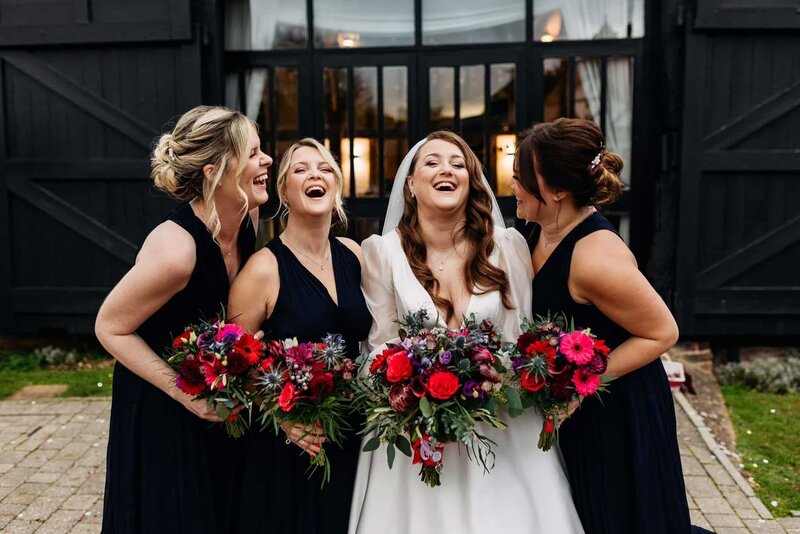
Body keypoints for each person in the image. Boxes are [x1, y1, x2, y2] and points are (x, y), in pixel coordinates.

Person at [349, 131, 584, 534]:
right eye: (433, 162)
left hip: (501, 426)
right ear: (411, 184)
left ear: (472, 180)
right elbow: (377, 348)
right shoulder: (381, 252)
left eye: (458, 164)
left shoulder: (507, 246)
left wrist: (485, 379)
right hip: (416, 432)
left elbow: (522, 339)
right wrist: (411, 380)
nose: (447, 170)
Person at [512, 117, 694, 534]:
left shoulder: (595, 257)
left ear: (557, 190)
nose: (514, 187)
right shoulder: (539, 232)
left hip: (617, 409)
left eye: (522, 178)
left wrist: (580, 387)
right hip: (578, 408)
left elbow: (663, 332)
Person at [95, 106, 271, 532]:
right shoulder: (177, 250)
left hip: (215, 398)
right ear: (215, 172)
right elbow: (110, 326)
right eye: (252, 154)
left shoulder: (247, 218)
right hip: (161, 405)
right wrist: (183, 393)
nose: (266, 160)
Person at [228, 138, 371, 533]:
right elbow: (232, 361)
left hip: (352, 431)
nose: (315, 175)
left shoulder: (353, 254)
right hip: (289, 440)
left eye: (325, 169)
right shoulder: (263, 268)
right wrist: (283, 418)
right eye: (301, 169)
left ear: (336, 187)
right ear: (285, 192)